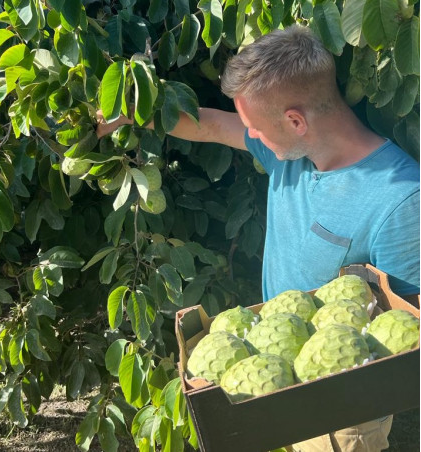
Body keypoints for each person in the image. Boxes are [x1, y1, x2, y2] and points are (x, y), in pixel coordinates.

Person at [97, 25, 420, 451]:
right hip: (270, 375)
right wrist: (133, 112)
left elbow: (406, 330)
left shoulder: (400, 201)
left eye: (258, 127)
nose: (253, 136)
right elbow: (211, 126)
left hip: (338, 418)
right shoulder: (292, 152)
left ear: (295, 120)